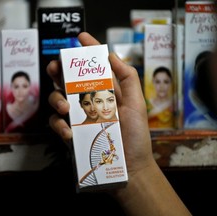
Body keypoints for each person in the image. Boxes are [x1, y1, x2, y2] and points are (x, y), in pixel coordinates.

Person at [47, 32, 192, 216]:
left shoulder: (111, 127)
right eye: (97, 102)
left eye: (109, 100)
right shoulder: (94, 124)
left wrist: (137, 170)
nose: (103, 107)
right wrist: (137, 172)